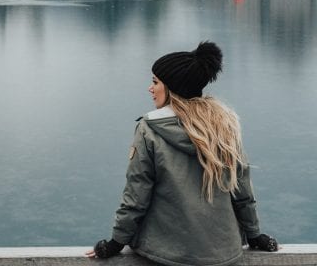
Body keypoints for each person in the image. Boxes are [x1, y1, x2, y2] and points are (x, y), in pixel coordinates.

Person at [86, 41, 278, 266]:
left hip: (167, 254)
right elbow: (241, 190)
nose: (150, 88)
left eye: (155, 82)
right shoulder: (224, 128)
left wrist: (115, 243)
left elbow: (136, 195)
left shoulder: (149, 130)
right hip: (223, 252)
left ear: (172, 88)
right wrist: (254, 235)